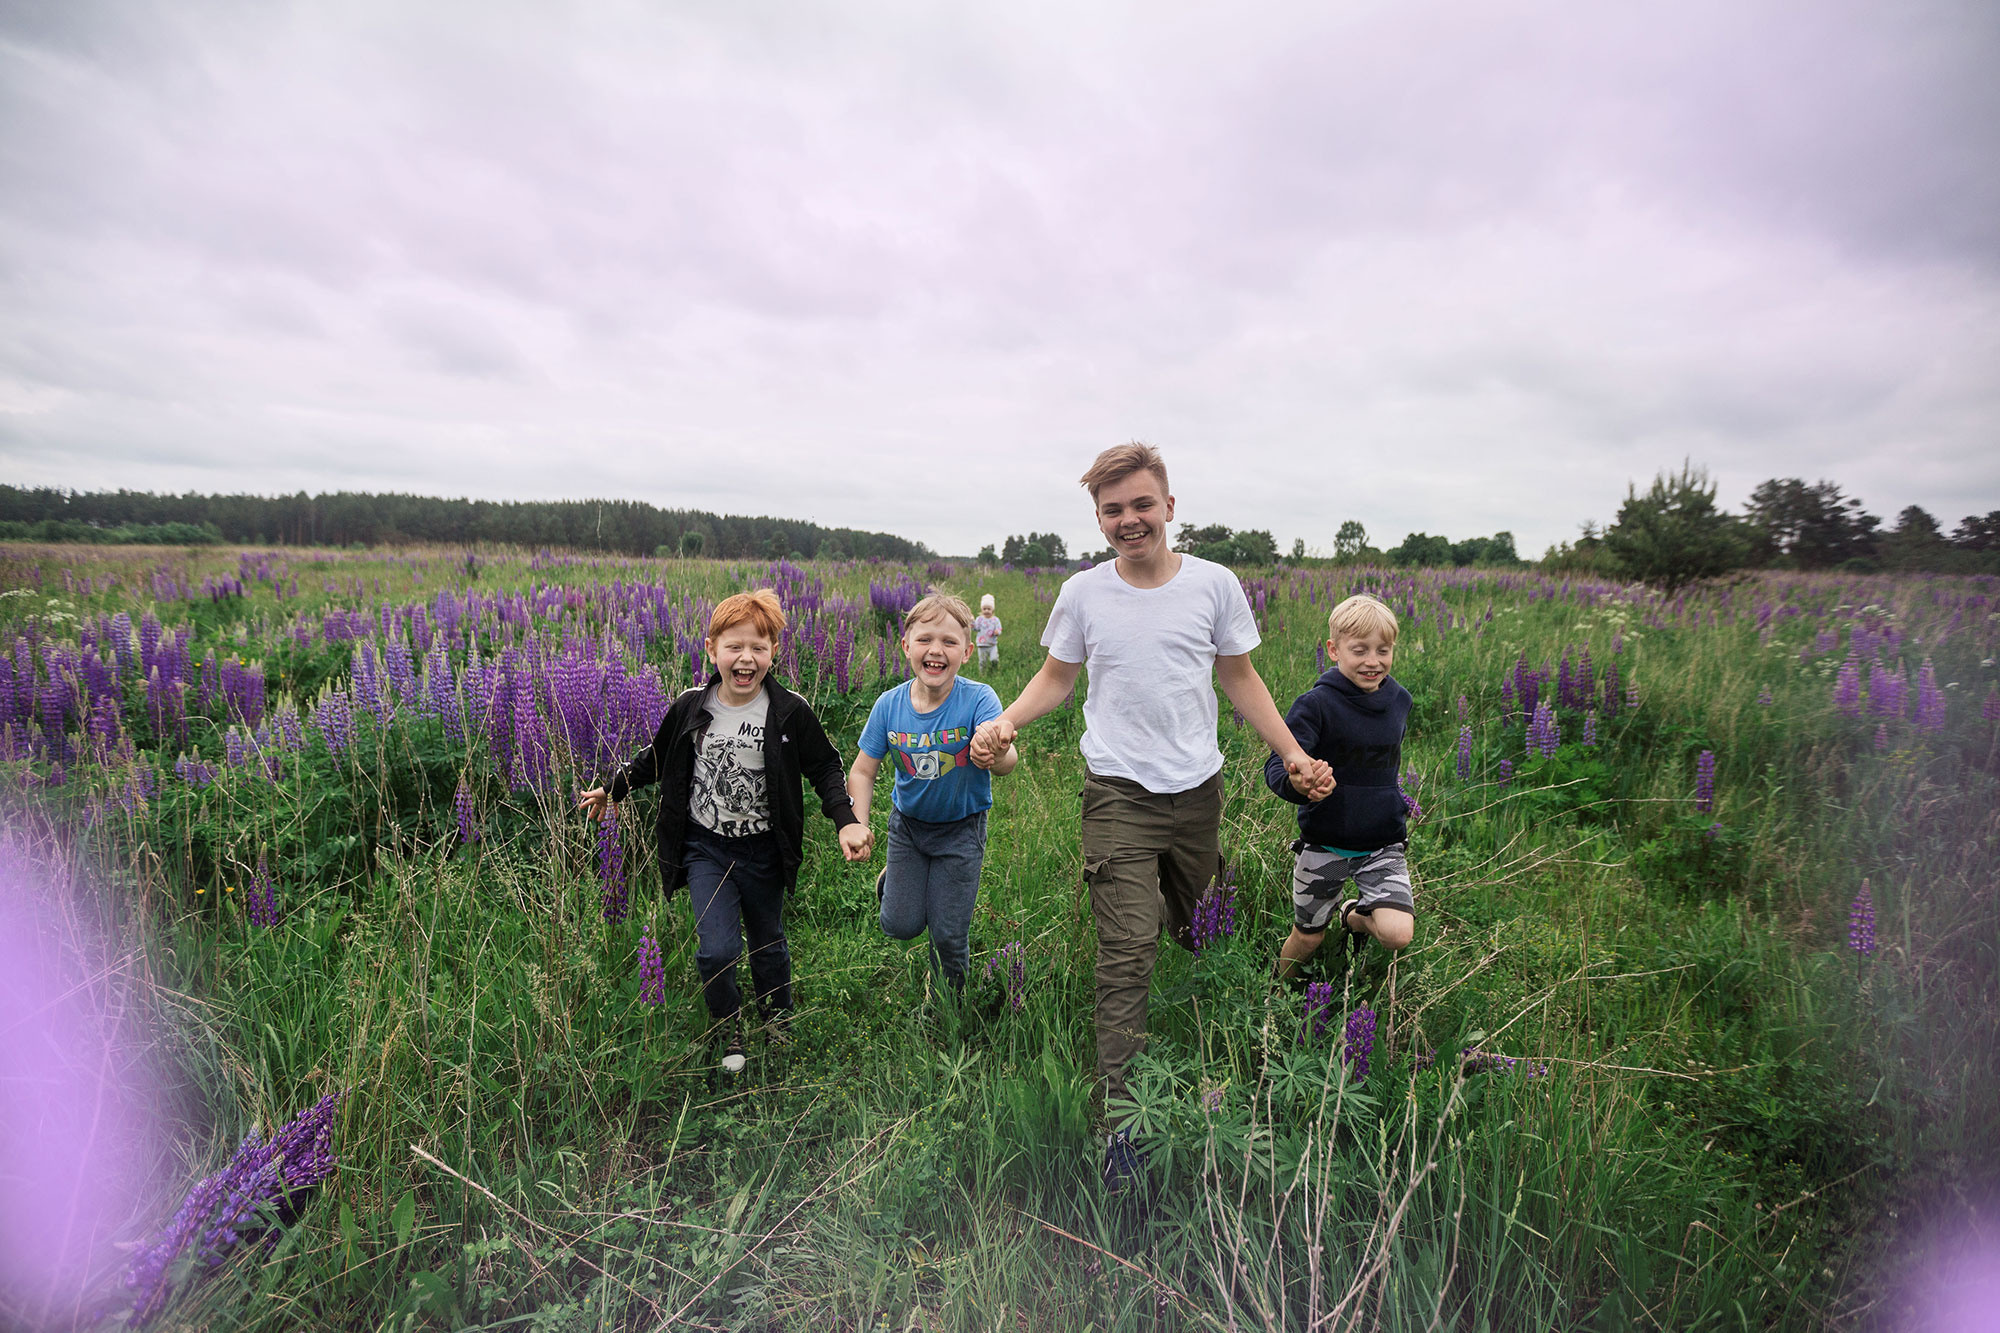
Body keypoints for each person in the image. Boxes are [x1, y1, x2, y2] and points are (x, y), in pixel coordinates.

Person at [968, 442, 1333, 1191]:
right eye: (1112, 509)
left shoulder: (1214, 584)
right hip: (1117, 795)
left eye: (1141, 504)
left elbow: (1240, 677)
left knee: (1206, 935)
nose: (1128, 520)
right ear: (1098, 518)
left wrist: (1293, 753)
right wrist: (1005, 721)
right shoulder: (1082, 594)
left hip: (1197, 793)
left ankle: (1230, 1069)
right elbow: (1056, 677)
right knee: (1127, 949)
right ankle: (1123, 1126)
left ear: (1169, 506)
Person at [578, 589, 872, 1075]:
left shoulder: (789, 710)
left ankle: (777, 1018)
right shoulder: (692, 705)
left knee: (768, 943)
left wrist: (846, 821)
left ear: (773, 653)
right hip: (705, 848)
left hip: (765, 850)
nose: (746, 657)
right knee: (716, 948)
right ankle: (728, 1020)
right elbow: (657, 757)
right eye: (734, 646)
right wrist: (614, 789)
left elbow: (825, 768)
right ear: (711, 648)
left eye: (759, 647)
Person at [848, 593, 1018, 991]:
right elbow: (862, 770)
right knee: (899, 925)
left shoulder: (979, 698)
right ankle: (895, 881)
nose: (936, 650)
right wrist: (857, 823)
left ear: (967, 651)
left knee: (947, 933)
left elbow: (1008, 763)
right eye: (924, 639)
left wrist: (998, 750)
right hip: (908, 829)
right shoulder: (888, 706)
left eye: (949, 642)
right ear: (906, 646)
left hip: (963, 830)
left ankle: (949, 1004)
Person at [1266, 593, 1416, 980]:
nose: (1373, 661)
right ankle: (1276, 994)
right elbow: (1277, 766)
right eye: (1359, 650)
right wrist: (1300, 784)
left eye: (1383, 650)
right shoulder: (1315, 704)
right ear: (1334, 649)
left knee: (1398, 933)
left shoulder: (1400, 700)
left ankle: (1353, 916)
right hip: (1324, 842)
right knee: (1308, 938)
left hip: (1382, 842)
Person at [972, 594, 1003, 672]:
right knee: (982, 661)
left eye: (989, 609)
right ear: (981, 609)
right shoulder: (979, 619)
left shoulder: (995, 620)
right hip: (982, 645)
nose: (986, 611)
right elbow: (975, 628)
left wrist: (997, 632)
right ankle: (982, 674)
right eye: (984, 609)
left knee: (994, 659)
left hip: (992, 644)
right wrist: (972, 621)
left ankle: (995, 670)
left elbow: (999, 629)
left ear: (992, 610)